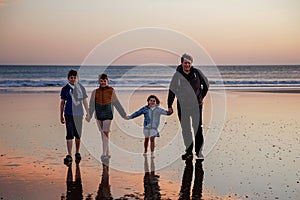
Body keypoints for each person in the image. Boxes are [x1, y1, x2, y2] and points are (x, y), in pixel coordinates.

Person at [167, 53, 209, 160]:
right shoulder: (177, 75)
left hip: (196, 106)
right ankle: (189, 152)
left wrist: (201, 98)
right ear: (182, 63)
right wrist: (169, 105)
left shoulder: (197, 73)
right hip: (182, 106)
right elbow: (172, 90)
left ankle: (199, 152)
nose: (187, 65)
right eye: (185, 62)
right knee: (186, 129)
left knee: (197, 129)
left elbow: (206, 85)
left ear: (191, 63)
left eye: (189, 63)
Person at [86, 73, 126, 163]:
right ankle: (107, 152)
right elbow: (91, 105)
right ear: (98, 81)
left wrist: (123, 114)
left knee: (105, 132)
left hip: (108, 113)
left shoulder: (111, 90)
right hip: (98, 114)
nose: (103, 82)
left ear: (107, 81)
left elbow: (116, 103)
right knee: (102, 133)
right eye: (101, 81)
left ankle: (103, 154)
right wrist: (89, 115)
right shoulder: (95, 92)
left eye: (105, 81)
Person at [60, 69, 89, 165]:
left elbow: (84, 101)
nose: (73, 79)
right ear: (68, 78)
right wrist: (61, 115)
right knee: (69, 134)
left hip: (79, 114)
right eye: (71, 77)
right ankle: (69, 154)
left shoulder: (81, 88)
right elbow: (62, 102)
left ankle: (77, 152)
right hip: (68, 114)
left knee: (78, 134)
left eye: (74, 77)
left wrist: (88, 112)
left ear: (77, 78)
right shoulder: (65, 89)